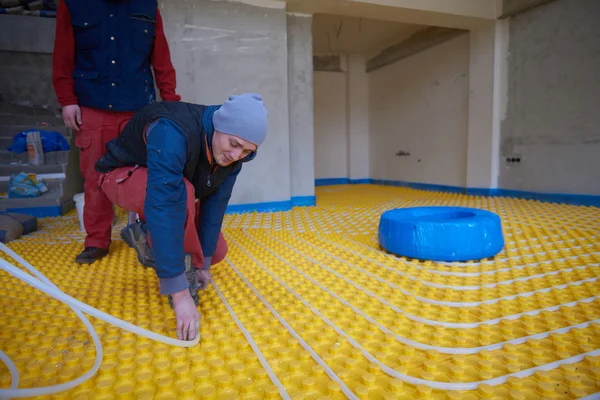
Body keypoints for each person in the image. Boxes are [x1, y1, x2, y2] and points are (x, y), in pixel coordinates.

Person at [95, 93, 269, 340]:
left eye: (247, 151)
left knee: (216, 250)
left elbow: (215, 207)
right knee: (181, 193)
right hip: (119, 177)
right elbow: (164, 202)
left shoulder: (233, 157)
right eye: (234, 144)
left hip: (167, 191)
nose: (237, 155)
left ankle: (145, 237)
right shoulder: (173, 131)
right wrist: (179, 293)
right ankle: (174, 267)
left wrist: (204, 264)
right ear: (219, 126)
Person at [52, 0, 181, 264]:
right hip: (93, 108)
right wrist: (67, 100)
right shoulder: (73, 4)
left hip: (139, 111)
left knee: (149, 178)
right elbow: (62, 55)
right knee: (95, 178)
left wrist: (170, 103)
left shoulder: (147, 5)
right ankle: (96, 241)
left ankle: (151, 239)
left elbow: (161, 59)